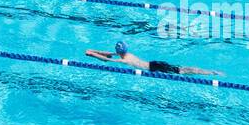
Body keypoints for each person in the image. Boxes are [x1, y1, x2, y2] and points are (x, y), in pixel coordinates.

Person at [85, 41, 221, 76]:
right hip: (155, 63)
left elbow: (107, 59)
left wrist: (92, 54)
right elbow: (107, 54)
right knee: (182, 69)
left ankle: (210, 72)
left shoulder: (124, 59)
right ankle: (209, 71)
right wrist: (93, 51)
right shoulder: (128, 54)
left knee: (183, 71)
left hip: (154, 68)